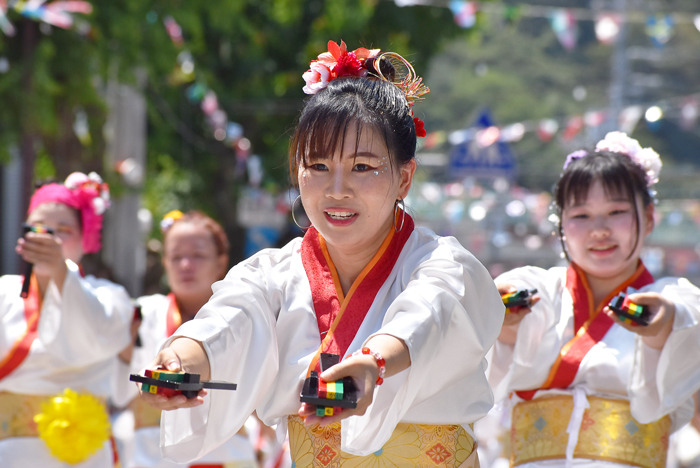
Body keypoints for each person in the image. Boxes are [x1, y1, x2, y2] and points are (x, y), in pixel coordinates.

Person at [136, 40, 504, 468]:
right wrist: (185, 356)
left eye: (363, 167)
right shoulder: (272, 273)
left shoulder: (441, 265)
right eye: (318, 166)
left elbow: (428, 314)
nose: (336, 190)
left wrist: (373, 363)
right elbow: (230, 318)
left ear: (405, 178)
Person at [489, 132, 700, 467]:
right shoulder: (542, 290)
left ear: (648, 217)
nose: (599, 230)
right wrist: (503, 318)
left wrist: (663, 328)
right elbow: (511, 301)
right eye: (582, 216)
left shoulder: (673, 296)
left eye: (616, 212)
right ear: (561, 225)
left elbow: (685, 317)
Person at [0, 172, 133, 468]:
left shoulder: (110, 296)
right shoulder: (4, 293)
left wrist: (60, 270)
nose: (50, 238)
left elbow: (93, 340)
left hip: (83, 455)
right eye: (39, 228)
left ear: (85, 238)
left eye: (63, 230)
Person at [113, 210, 258, 468]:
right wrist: (124, 352)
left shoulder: (243, 317)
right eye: (176, 257)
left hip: (226, 453)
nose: (185, 265)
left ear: (221, 262)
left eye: (198, 256)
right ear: (165, 263)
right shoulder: (141, 313)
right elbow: (118, 394)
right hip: (153, 454)